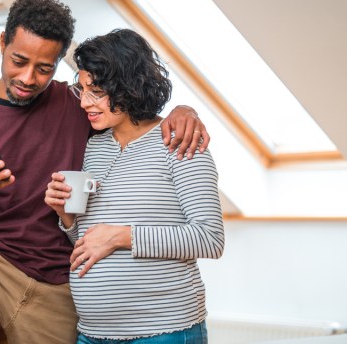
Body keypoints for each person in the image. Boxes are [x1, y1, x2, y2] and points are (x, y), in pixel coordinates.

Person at [0, 0, 210, 344]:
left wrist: (184, 110)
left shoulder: (80, 105)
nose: (28, 78)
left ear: (60, 62)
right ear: (2, 42)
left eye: (44, 68)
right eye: (19, 61)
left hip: (60, 276)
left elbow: (128, 101)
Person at [44, 28, 224, 343]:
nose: (85, 102)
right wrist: (67, 216)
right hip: (92, 333)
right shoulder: (93, 147)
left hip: (163, 332)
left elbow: (209, 239)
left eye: (96, 91)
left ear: (128, 86)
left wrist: (122, 236)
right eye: (81, 89)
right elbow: (88, 241)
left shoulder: (179, 141)